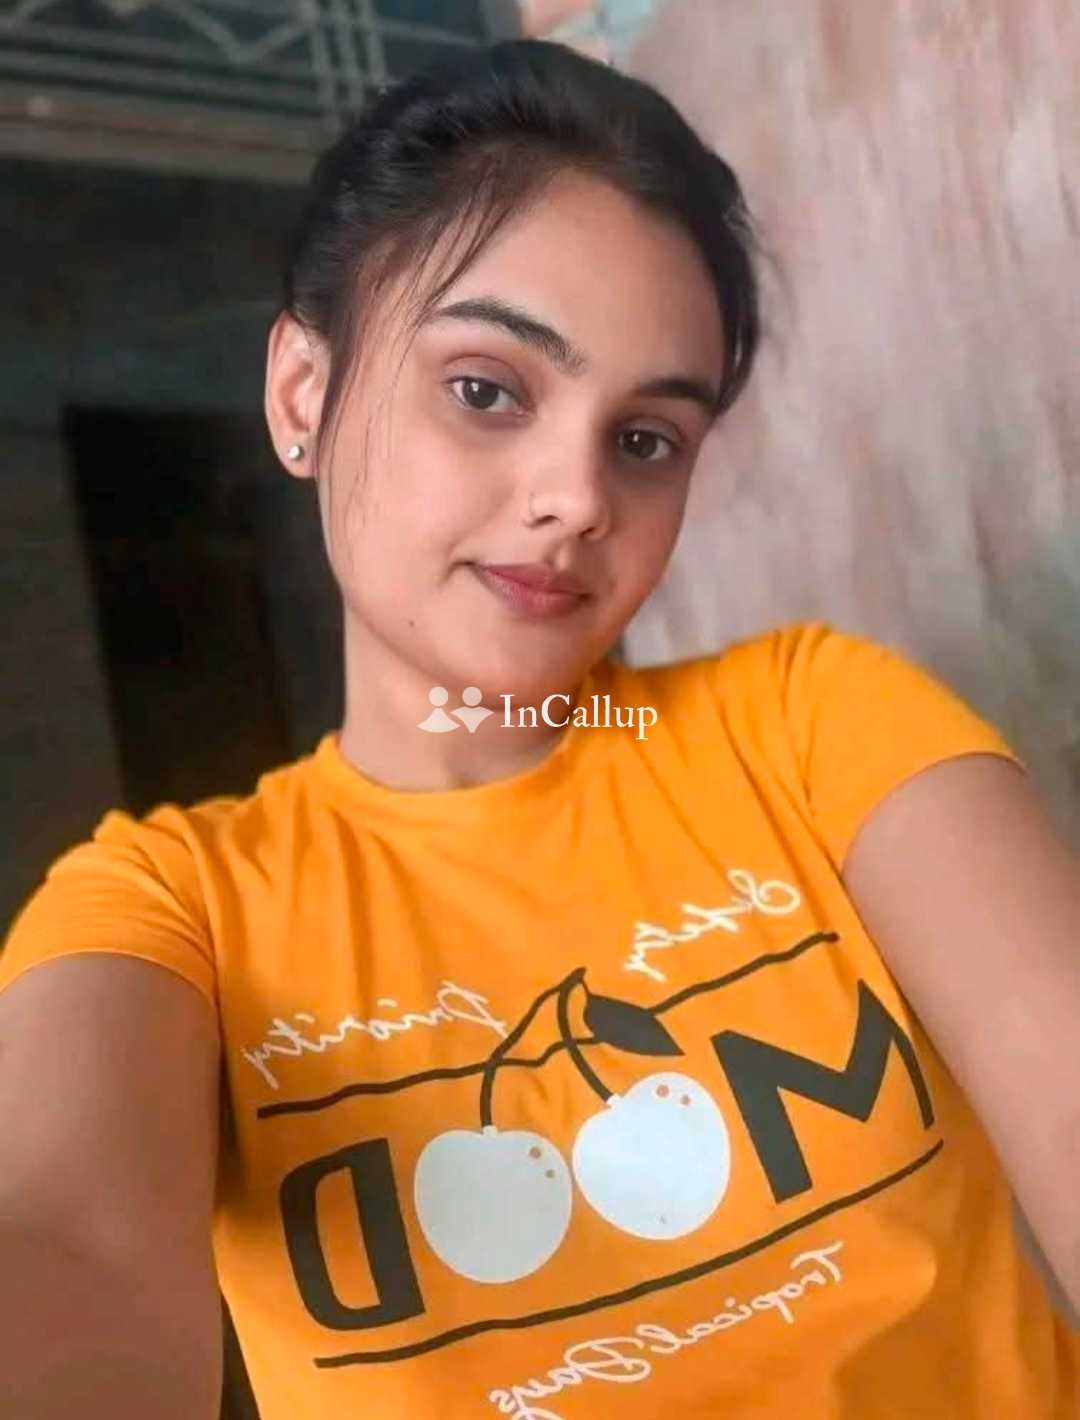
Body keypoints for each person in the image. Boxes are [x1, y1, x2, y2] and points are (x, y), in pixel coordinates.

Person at [0, 37, 1077, 1420]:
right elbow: (68, 1241)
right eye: (487, 389)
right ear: (303, 394)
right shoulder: (174, 912)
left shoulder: (814, 727)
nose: (578, 497)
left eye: (646, 439)